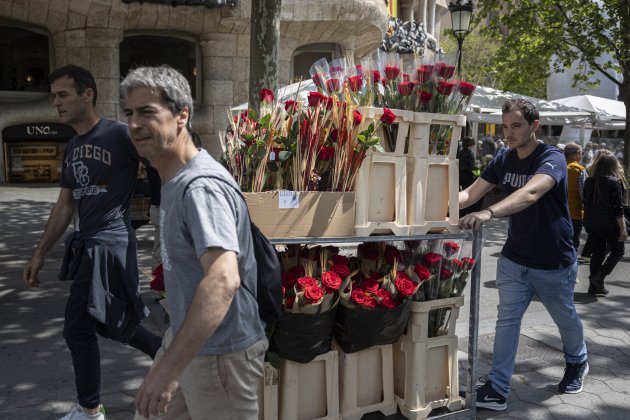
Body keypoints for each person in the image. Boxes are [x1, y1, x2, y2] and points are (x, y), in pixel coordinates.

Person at [121, 65, 267, 419]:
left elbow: (223, 279)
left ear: (182, 115)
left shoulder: (200, 186)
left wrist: (168, 371)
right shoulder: (174, 178)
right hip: (187, 341)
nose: (134, 124)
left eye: (147, 112)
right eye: (129, 113)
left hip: (222, 356)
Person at [22, 65, 162, 420]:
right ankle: (167, 355)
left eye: (62, 94)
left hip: (111, 244)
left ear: (88, 95)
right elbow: (65, 204)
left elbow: (161, 162)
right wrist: (39, 253)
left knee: (76, 327)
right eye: (53, 95)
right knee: (108, 322)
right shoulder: (71, 147)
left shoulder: (119, 134)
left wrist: (166, 212)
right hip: (87, 243)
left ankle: (89, 410)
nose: (56, 102)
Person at [458, 99, 588, 411]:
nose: (509, 133)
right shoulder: (503, 158)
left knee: (564, 317)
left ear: (535, 125)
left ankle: (577, 360)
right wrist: (431, 206)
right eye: (505, 127)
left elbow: (530, 193)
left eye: (516, 126)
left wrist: (489, 212)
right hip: (515, 258)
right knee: (507, 321)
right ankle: (498, 389)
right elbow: (470, 194)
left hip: (553, 260)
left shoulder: (553, 158)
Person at [582, 150, 627, 295]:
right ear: (613, 166)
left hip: (590, 222)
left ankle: (593, 286)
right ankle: (599, 277)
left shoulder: (589, 181)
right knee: (618, 250)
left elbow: (585, 201)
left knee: (598, 253)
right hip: (608, 223)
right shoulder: (614, 182)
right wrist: (623, 229)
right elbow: (617, 208)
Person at [564, 143, 588, 255]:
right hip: (575, 213)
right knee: (573, 244)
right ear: (577, 154)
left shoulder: (558, 166)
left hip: (558, 212)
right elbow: (584, 193)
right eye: (581, 153)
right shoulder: (579, 170)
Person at [457, 136, 482, 216]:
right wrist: (478, 168)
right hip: (468, 176)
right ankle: (466, 211)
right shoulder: (469, 153)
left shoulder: (460, 152)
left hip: (460, 175)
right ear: (470, 144)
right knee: (468, 193)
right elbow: (472, 166)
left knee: (462, 192)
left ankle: (461, 211)